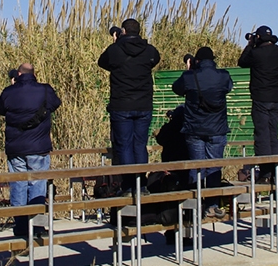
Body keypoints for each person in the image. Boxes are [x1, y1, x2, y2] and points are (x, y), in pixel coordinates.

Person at [0, 63, 62, 238]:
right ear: (34, 73)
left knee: (18, 184)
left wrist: (13, 86)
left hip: (15, 148)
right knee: (37, 184)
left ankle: (21, 225)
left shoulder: (8, 92)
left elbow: (0, 110)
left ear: (18, 74)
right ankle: (37, 226)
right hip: (39, 147)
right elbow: (56, 104)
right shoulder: (46, 90)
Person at [97, 18, 161, 191]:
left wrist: (117, 43)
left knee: (124, 145)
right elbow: (156, 59)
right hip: (143, 105)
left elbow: (102, 62)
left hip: (121, 105)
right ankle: (141, 185)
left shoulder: (115, 50)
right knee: (139, 145)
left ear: (123, 31)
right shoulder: (149, 50)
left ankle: (128, 186)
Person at [172, 47, 233, 204]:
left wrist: (190, 70)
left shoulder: (189, 76)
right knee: (214, 167)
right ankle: (212, 204)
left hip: (194, 129)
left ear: (196, 60)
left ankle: (195, 203)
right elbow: (228, 87)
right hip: (217, 129)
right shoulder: (223, 76)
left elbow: (176, 89)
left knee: (196, 167)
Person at [237, 25, 278, 180]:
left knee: (262, 134)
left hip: (261, 98)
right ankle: (276, 171)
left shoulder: (256, 53)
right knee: (273, 133)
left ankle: (266, 172)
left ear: (258, 38)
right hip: (277, 98)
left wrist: (250, 45)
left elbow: (242, 62)